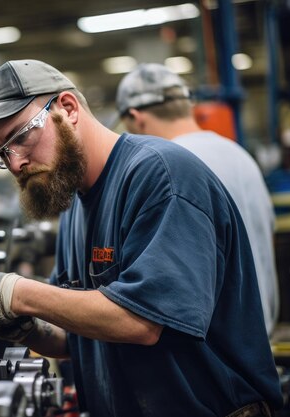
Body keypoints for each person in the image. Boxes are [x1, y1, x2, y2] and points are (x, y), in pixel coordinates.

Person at [0, 59, 283, 416]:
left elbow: (143, 323)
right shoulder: (74, 208)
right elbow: (81, 335)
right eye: (2, 153)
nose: (16, 162)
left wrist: (18, 293)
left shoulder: (162, 175)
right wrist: (28, 329)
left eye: (20, 136)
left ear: (67, 108)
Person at [116, 63, 279, 336]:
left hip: (218, 351)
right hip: (260, 338)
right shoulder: (239, 155)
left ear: (136, 118)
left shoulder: (168, 169)